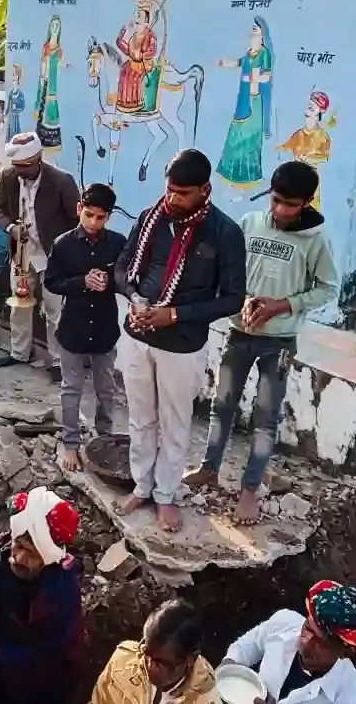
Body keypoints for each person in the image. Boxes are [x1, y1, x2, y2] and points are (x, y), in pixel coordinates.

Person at [188, 162, 338, 525]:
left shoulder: (316, 238)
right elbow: (230, 271)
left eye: (290, 204)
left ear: (306, 202)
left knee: (265, 418)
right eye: (275, 200)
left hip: (279, 342)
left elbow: (327, 288)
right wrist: (239, 298)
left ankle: (249, 491)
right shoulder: (250, 224)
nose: (280, 210)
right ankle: (209, 469)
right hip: (240, 332)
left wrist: (282, 306)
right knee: (221, 405)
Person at [114, 150, 247, 533]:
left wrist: (174, 314)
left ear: (205, 190)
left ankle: (167, 495)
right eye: (169, 190)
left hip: (183, 342)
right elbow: (123, 267)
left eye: (183, 193)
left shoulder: (225, 233)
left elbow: (232, 298)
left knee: (174, 422)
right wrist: (135, 298)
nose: (173, 199)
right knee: (140, 418)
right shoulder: (151, 217)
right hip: (137, 333)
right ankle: (142, 485)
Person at [0, 487, 83, 704]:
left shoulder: (61, 593)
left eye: (31, 553)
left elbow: (57, 658)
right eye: (18, 545)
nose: (18, 558)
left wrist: (1, 655)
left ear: (47, 557)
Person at [45, 183, 127, 472]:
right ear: (80, 209)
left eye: (100, 217)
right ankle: (70, 444)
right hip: (73, 329)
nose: (93, 223)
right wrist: (82, 282)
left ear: (109, 216)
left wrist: (109, 282)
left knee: (106, 388)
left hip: (104, 328)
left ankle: (105, 440)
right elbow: (51, 282)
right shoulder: (63, 244)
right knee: (71, 389)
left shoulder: (118, 244)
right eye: (89, 215)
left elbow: (126, 280)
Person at [0, 132, 79, 381]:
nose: (20, 171)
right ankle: (20, 352)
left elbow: (76, 222)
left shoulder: (62, 182)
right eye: (16, 166)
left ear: (38, 158)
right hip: (22, 254)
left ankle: (59, 361)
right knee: (19, 305)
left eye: (25, 166)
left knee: (55, 310)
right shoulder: (9, 176)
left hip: (54, 256)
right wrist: (11, 227)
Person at [221, 581, 356, 704]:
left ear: (344, 652)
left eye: (320, 641)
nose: (306, 641)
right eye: (307, 628)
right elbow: (247, 646)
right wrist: (228, 666)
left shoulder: (352, 697)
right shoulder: (285, 622)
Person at [91, 600, 217, 704]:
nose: (149, 666)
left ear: (190, 659)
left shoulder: (204, 698)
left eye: (160, 662)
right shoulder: (122, 660)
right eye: (146, 652)